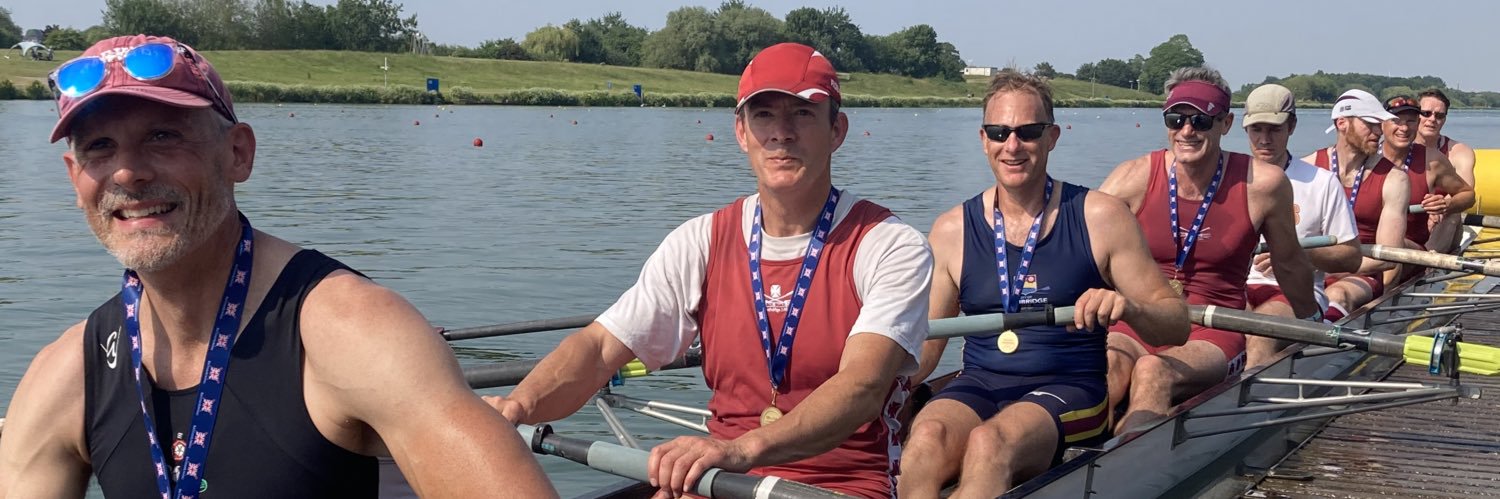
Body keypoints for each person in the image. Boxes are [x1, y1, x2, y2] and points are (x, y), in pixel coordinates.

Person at [0, 35, 556, 498]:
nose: (127, 174)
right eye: (100, 147)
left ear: (238, 154)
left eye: (162, 136)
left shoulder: (351, 331)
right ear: (76, 179)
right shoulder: (69, 372)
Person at [484, 42, 932, 498]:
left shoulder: (890, 245)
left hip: (840, 484)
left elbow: (863, 386)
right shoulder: (699, 241)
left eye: (801, 114)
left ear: (837, 129)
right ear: (741, 132)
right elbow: (599, 349)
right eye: (763, 116)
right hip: (722, 480)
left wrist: (743, 449)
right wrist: (518, 406)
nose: (781, 133)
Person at [897, 70, 1187, 498]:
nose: (1012, 146)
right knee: (924, 442)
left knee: (988, 443)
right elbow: (927, 346)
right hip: (980, 381)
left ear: (1052, 136)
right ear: (983, 139)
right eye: (999, 132)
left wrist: (1129, 307)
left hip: (1073, 387)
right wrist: (870, 388)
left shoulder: (1101, 217)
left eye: (1027, 132)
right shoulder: (950, 229)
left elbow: (1176, 324)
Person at [1098, 67, 1317, 432]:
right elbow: (1079, 248)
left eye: (1201, 120)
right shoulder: (1133, 176)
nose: (1187, 130)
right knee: (1106, 370)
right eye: (1176, 119)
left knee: (1154, 372)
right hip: (1141, 320)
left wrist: (1313, 329)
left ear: (1226, 123)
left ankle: (1124, 468)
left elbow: (1290, 265)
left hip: (1214, 328)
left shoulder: (1263, 184)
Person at [1239, 84, 1361, 368]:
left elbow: (1351, 257)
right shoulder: (1228, 179)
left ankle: (1247, 404)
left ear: (1291, 126)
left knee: (1259, 331)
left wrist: (1295, 255)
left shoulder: (1321, 182)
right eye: (1257, 129)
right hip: (1236, 288)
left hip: (1299, 292)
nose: (1264, 139)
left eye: (1274, 129)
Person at [1304, 89, 1411, 322]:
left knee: (1337, 294)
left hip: (1361, 273)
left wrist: (1322, 261)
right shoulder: (1308, 167)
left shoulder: (1394, 179)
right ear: (1342, 123)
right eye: (1370, 124)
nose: (1378, 132)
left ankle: (1312, 343)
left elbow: (1389, 257)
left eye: (1379, 124)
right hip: (1310, 270)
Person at [1380, 95, 1473, 256]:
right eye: (1426, 113)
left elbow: (1468, 195)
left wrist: (1444, 205)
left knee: (1453, 214)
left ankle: (1430, 263)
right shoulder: (1369, 155)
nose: (1432, 120)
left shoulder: (1446, 156)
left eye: (1439, 115)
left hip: (1425, 237)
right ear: (1382, 124)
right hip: (1381, 239)